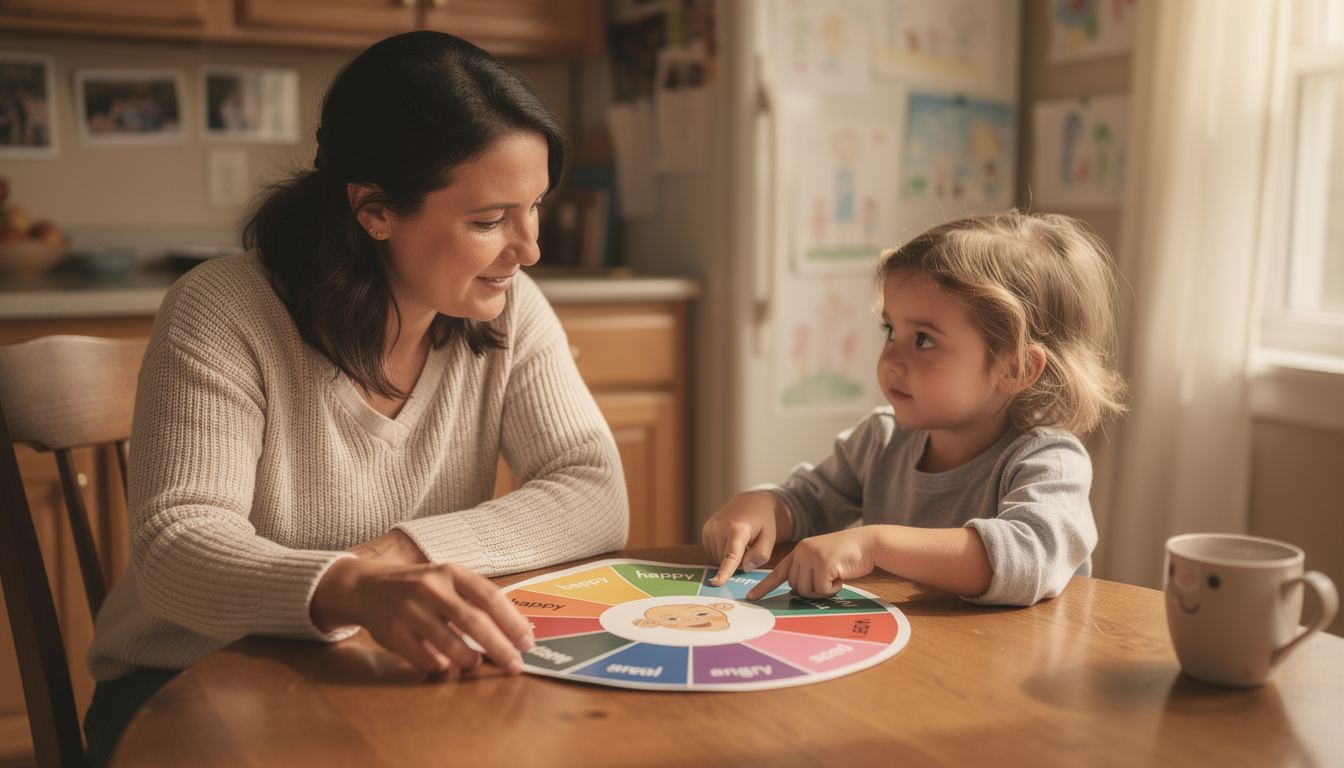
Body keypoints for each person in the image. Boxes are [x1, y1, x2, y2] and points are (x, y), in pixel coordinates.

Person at [83, 30, 628, 765]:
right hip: (181, 682)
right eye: (488, 220)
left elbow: (595, 490)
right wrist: (350, 586)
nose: (528, 249)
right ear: (375, 210)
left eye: (534, 207)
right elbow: (176, 546)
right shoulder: (223, 311)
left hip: (371, 668)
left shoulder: (508, 305)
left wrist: (403, 553)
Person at [703, 211, 1127, 607]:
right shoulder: (881, 439)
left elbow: (1028, 558)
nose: (890, 359)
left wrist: (872, 544)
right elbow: (807, 501)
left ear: (1014, 368)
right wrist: (763, 505)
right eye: (890, 330)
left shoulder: (1050, 461)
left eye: (924, 339)